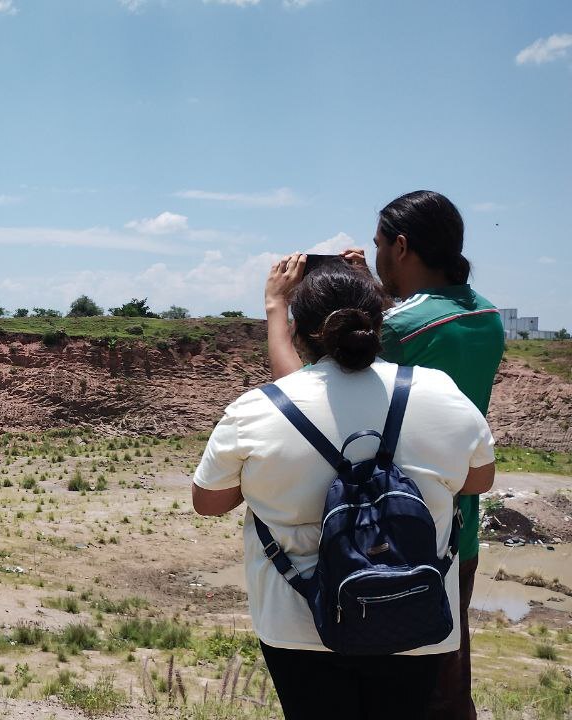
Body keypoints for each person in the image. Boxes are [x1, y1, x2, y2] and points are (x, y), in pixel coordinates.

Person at [194, 264, 495, 719]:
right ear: (379, 324)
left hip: (298, 623)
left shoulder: (257, 410)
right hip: (413, 612)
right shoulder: (439, 391)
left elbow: (208, 502)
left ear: (297, 333)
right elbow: (478, 480)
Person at [265, 190, 504, 719]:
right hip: (453, 528)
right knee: (444, 682)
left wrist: (278, 308)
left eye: (377, 245)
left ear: (400, 246)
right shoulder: (486, 316)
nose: (373, 256)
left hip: (381, 528)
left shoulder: (396, 327)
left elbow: (305, 395)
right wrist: (370, 292)